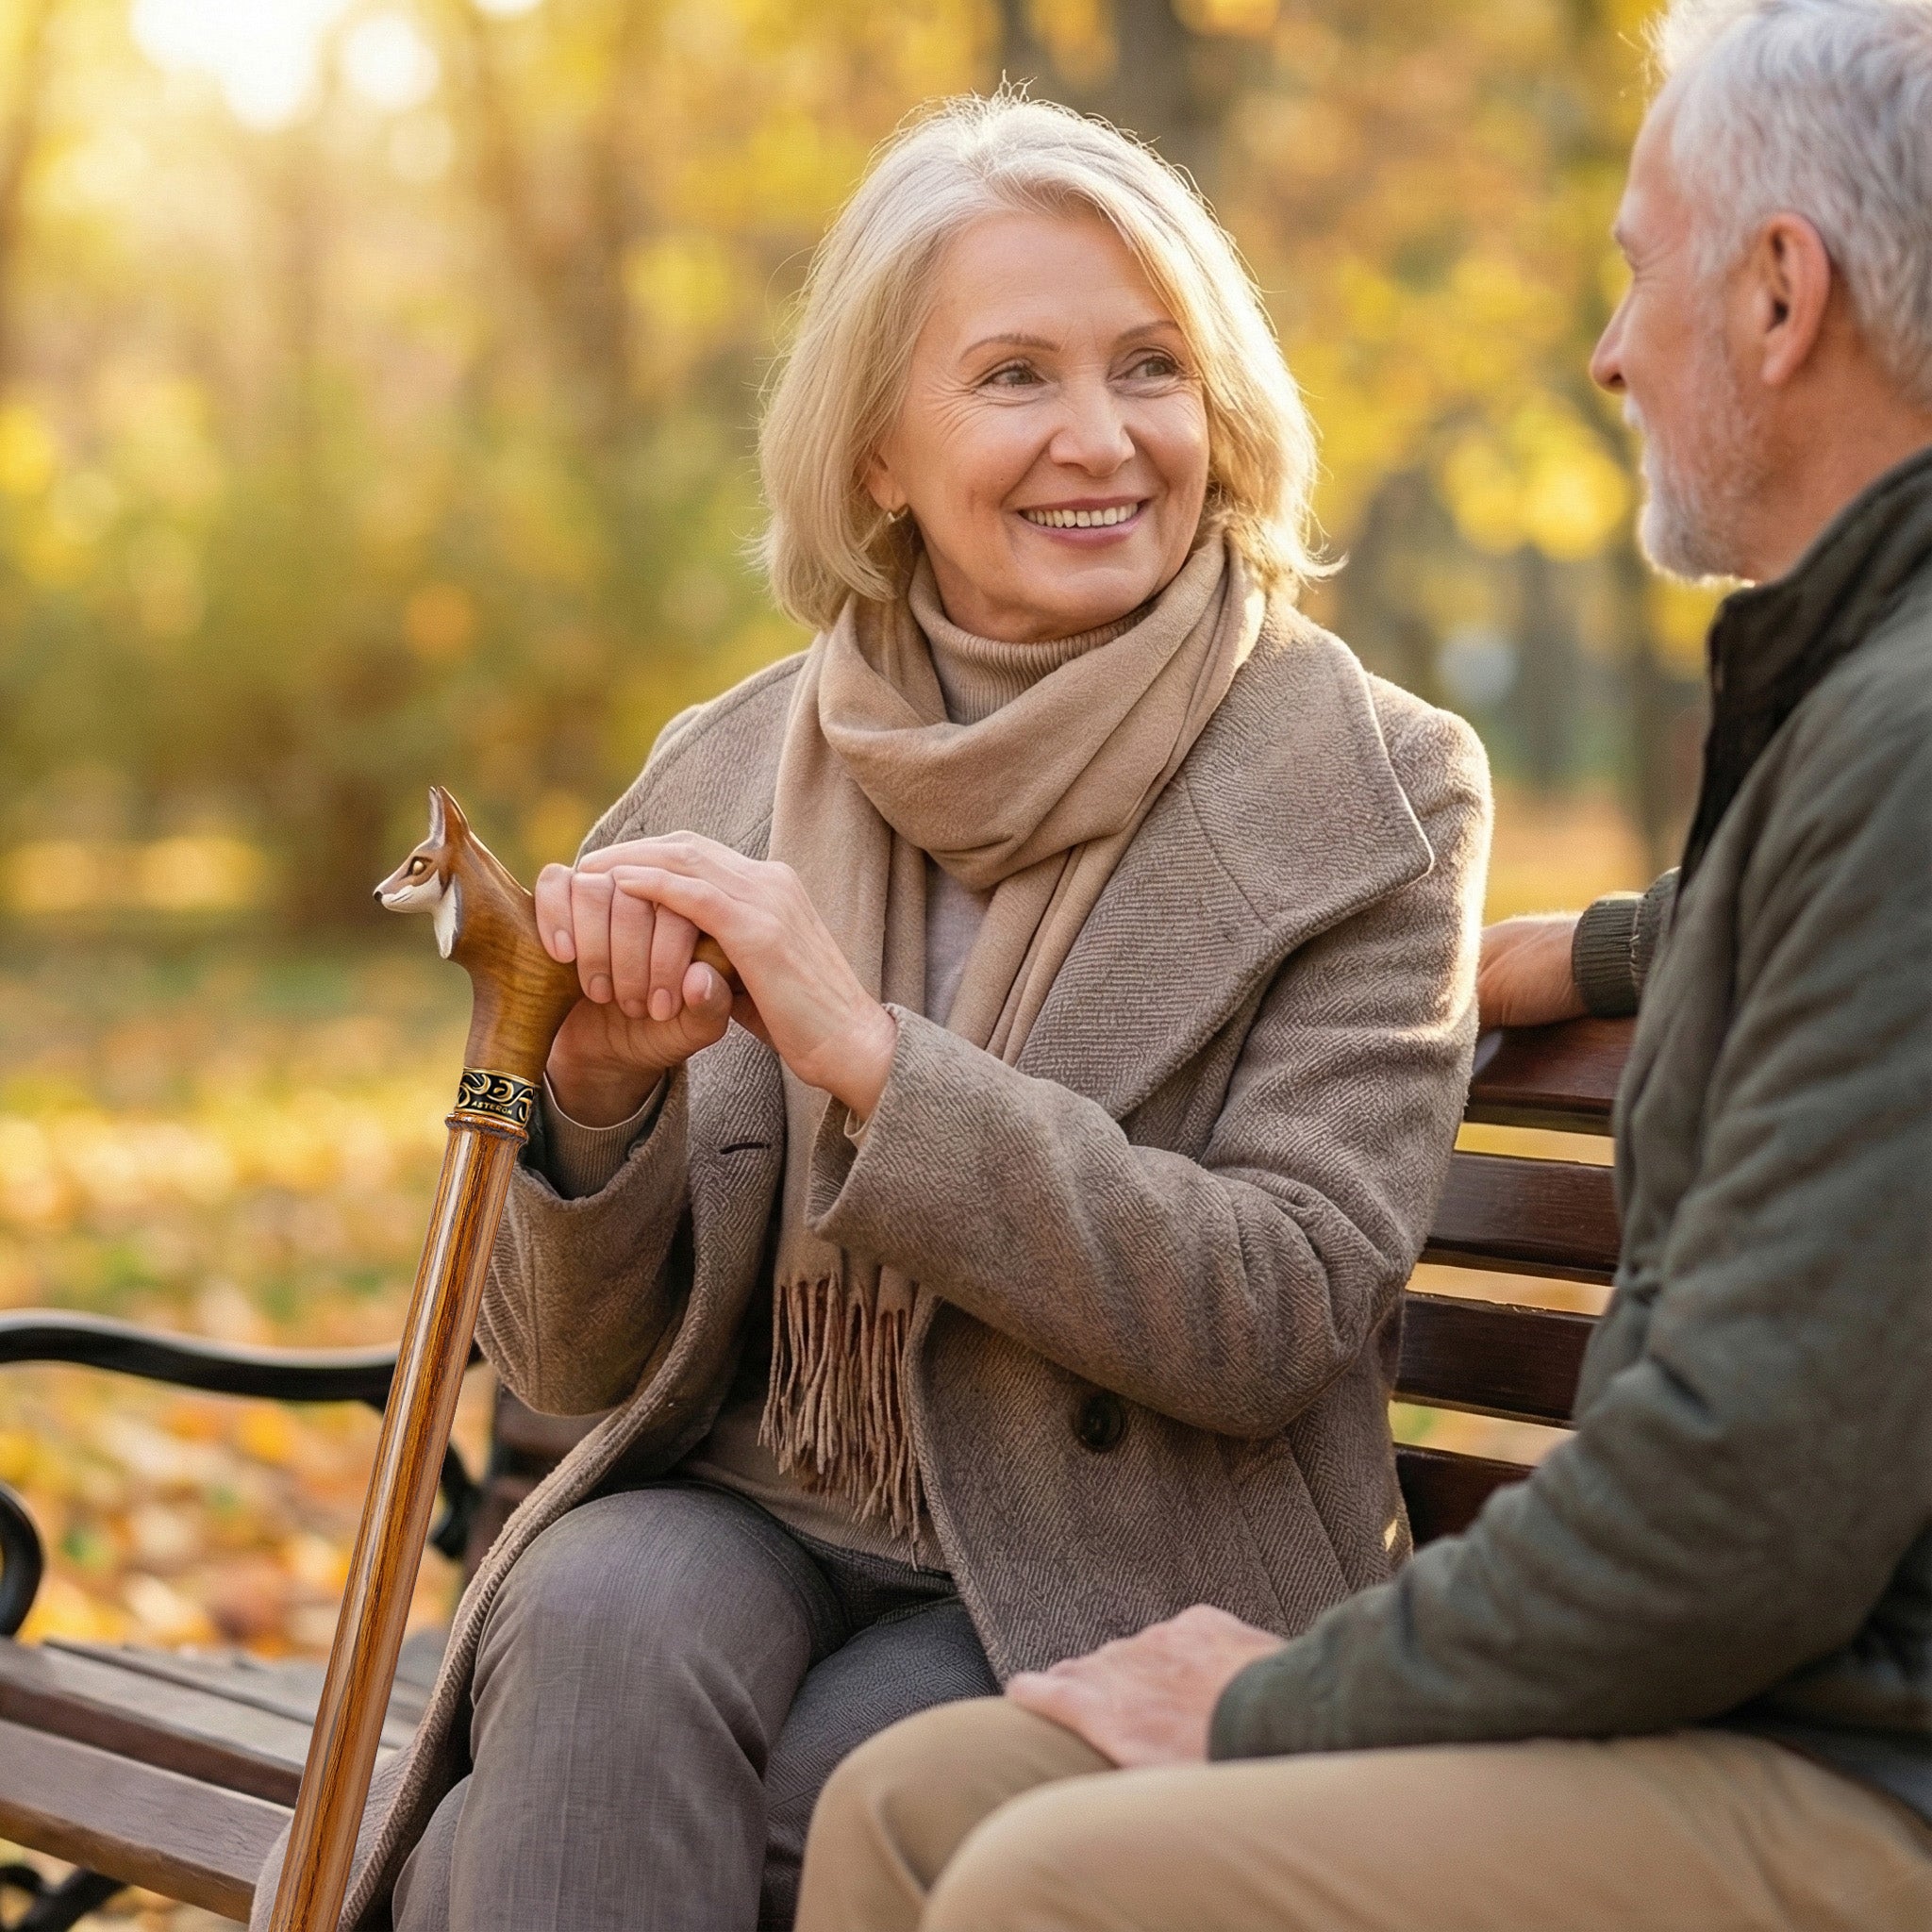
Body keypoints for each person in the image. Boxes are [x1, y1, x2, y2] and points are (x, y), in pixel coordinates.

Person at [249, 95, 1490, 1932]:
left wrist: (879, 1063)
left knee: (724, 1808)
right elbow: (572, 1382)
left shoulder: (1374, 785)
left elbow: (1279, 1306)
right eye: (1013, 376)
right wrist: (592, 1107)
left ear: (1221, 403)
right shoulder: (725, 768)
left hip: (1125, 1566)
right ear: (880, 451)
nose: (1100, 437)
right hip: (749, 1503)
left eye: (1150, 365)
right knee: (589, 1603)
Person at [792, 4, 1932, 1929]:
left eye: (1635, 272)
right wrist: (1583, 951)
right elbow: (1827, 935)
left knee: (1042, 1887)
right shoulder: (1861, 714)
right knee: (911, 1805)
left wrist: (1283, 1699)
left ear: (1775, 296)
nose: (1605, 350)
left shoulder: (1901, 735)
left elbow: (1738, 1512)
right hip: (1728, 1695)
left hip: (1847, 1760)